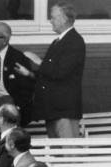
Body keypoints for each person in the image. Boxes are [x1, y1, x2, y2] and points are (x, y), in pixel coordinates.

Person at [17, 2, 85, 138]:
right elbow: (49, 74)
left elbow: (60, 72)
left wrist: (38, 61)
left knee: (70, 155)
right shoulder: (58, 42)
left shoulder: (74, 41)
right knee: (57, 153)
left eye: (53, 17)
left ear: (64, 18)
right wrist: (29, 73)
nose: (50, 21)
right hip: (53, 110)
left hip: (64, 111)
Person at [0, 22, 34, 126]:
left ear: (5, 40)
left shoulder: (18, 58)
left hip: (12, 102)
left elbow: (28, 87)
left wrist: (18, 106)